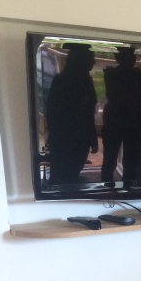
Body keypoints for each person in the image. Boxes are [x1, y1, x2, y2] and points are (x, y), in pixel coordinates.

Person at [45, 43, 98, 185]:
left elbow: (89, 112)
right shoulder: (62, 81)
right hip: (67, 139)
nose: (94, 62)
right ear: (81, 60)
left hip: (78, 138)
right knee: (62, 175)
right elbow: (53, 112)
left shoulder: (85, 81)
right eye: (90, 58)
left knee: (72, 172)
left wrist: (92, 137)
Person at [101, 46, 141, 183]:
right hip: (126, 121)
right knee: (123, 160)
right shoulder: (135, 75)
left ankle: (111, 187)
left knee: (115, 160)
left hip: (121, 121)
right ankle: (121, 187)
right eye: (130, 56)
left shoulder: (113, 74)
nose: (133, 59)